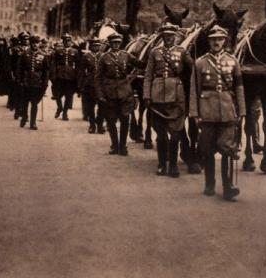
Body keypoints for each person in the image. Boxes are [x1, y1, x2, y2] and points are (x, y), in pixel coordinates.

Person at [190, 25, 245, 201]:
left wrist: (242, 110)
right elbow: (194, 89)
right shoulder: (200, 62)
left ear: (225, 41)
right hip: (207, 111)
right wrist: (194, 113)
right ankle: (210, 183)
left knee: (227, 148)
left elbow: (239, 87)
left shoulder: (233, 61)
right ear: (209, 41)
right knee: (208, 149)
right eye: (213, 39)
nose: (216, 42)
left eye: (220, 39)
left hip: (228, 110)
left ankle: (228, 185)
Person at [143, 22, 193, 177]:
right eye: (166, 35)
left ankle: (173, 166)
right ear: (162, 36)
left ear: (176, 36)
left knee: (176, 134)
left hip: (177, 96)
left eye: (172, 35)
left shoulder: (183, 52)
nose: (169, 38)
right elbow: (148, 75)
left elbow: (192, 72)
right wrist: (146, 94)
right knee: (162, 135)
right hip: (157, 95)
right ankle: (161, 164)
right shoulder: (154, 52)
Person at [97, 32, 140, 155]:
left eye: (118, 42)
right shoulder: (104, 57)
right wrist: (100, 94)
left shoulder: (126, 55)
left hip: (125, 93)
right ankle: (114, 145)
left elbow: (140, 64)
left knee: (125, 119)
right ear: (110, 43)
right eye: (113, 42)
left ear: (120, 43)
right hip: (109, 93)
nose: (116, 44)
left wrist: (133, 76)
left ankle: (123, 146)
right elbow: (98, 77)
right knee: (111, 120)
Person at [16, 35, 50, 130]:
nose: (35, 45)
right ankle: (24, 117)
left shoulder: (43, 55)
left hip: (37, 82)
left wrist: (45, 81)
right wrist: (19, 80)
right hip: (26, 81)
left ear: (39, 43)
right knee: (25, 101)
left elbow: (46, 70)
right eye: (33, 43)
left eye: (37, 43)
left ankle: (33, 122)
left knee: (34, 103)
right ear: (30, 43)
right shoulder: (24, 54)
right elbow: (19, 68)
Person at [78, 37, 105, 134]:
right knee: (90, 107)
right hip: (90, 84)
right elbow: (81, 71)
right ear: (91, 46)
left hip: (102, 85)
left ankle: (100, 125)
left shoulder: (104, 56)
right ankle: (92, 125)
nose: (96, 47)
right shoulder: (86, 56)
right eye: (94, 45)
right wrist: (80, 85)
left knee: (102, 106)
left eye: (98, 45)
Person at [49, 33, 79, 120]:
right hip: (60, 75)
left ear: (71, 42)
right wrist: (53, 74)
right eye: (66, 41)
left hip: (70, 76)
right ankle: (59, 107)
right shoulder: (58, 51)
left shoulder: (75, 51)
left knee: (68, 95)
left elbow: (77, 64)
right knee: (57, 94)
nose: (68, 43)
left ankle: (65, 113)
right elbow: (54, 63)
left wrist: (76, 75)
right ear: (63, 42)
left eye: (69, 41)